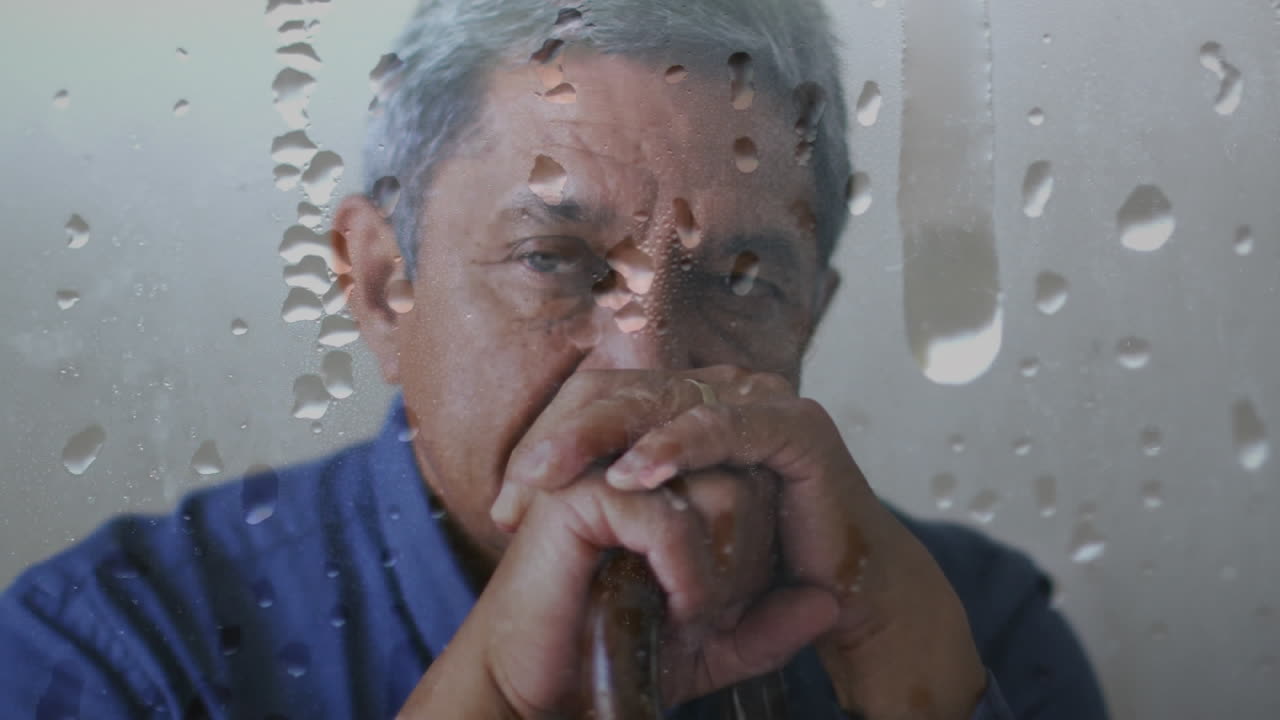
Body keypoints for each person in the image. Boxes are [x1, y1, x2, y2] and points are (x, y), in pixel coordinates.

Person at [0, 1, 1109, 718]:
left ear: (808, 316)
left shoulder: (961, 628)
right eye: (553, 259)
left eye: (738, 282)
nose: (644, 361)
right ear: (386, 287)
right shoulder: (120, 655)